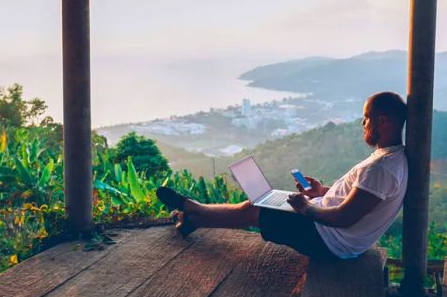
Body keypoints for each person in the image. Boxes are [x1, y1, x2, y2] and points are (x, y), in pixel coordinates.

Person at [156, 91, 408, 259]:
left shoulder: (381, 168)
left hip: (329, 240)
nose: (363, 124)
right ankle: (192, 219)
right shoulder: (389, 158)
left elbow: (344, 217)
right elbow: (357, 199)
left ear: (383, 121)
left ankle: (191, 207)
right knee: (261, 202)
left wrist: (307, 209)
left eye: (366, 118)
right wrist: (322, 192)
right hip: (327, 225)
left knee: (257, 209)